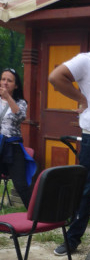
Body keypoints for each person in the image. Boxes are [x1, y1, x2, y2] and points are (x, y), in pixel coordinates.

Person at [49, 25, 90, 255]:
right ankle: (72, 240)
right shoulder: (88, 61)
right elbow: (55, 77)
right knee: (87, 190)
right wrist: (81, 98)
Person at [0, 68, 36, 208]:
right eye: (3, 79)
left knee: (21, 185)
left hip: (13, 147)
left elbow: (20, 116)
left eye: (9, 80)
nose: (5, 82)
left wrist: (8, 97)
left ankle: (36, 214)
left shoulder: (21, 102)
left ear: (15, 86)